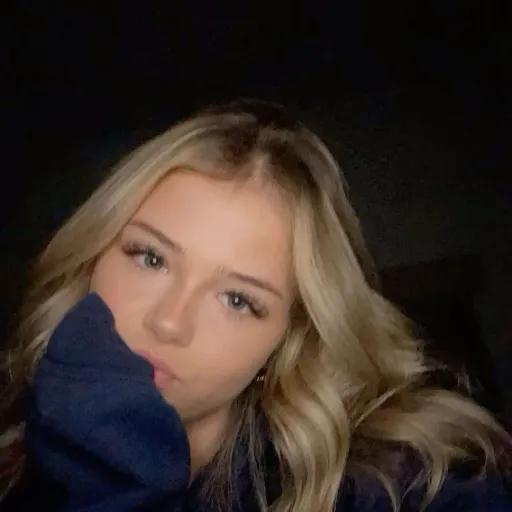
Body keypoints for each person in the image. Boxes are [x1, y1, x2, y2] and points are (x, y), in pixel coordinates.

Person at [1, 99, 511, 511]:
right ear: (93, 255)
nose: (170, 322)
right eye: (151, 258)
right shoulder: (14, 462)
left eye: (238, 300)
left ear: (286, 338)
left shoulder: (392, 488)